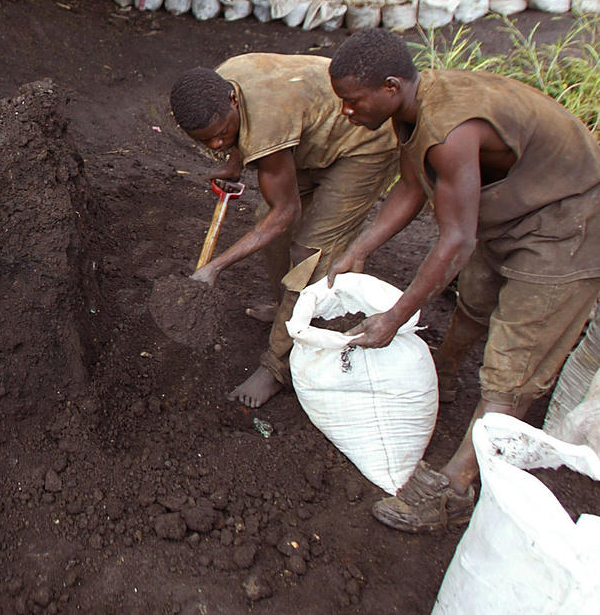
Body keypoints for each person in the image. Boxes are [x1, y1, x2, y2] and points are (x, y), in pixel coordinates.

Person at [326, 29, 600, 532]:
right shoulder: (411, 109)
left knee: (514, 364)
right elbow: (412, 186)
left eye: (352, 100)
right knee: (474, 300)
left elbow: (456, 242)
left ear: (390, 87)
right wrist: (358, 250)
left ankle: (452, 490)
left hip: (570, 225)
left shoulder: (448, 130)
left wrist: (395, 317)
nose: (346, 111)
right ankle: (446, 374)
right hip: (514, 213)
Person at [168, 54, 399, 407]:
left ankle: (277, 367)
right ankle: (286, 311)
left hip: (363, 143)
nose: (215, 145)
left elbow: (286, 212)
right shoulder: (215, 86)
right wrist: (234, 159)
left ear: (233, 99)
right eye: (206, 141)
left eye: (221, 135)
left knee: (312, 251)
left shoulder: (266, 122)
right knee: (267, 219)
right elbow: (244, 133)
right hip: (309, 136)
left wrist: (215, 267)